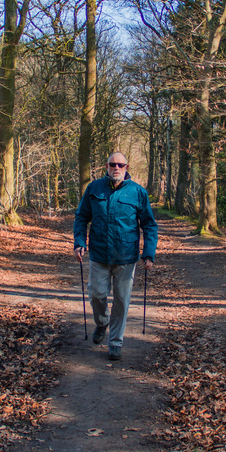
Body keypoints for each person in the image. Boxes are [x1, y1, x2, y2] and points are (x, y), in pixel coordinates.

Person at [74, 152, 158, 361]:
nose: (116, 168)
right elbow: (82, 217)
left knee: (121, 300)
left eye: (120, 165)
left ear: (127, 167)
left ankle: (115, 342)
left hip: (126, 257)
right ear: (107, 166)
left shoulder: (138, 192)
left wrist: (148, 254)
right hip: (99, 254)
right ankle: (102, 321)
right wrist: (79, 243)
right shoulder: (94, 189)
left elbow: (149, 225)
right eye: (113, 164)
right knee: (96, 294)